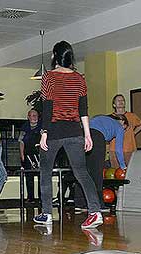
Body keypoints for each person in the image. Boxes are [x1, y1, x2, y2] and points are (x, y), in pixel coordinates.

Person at [34, 40, 103, 229]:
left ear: (54, 56)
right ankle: (95, 211)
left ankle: (46, 214)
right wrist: (87, 135)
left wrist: (43, 133)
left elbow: (47, 108)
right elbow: (83, 109)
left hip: (54, 131)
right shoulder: (79, 78)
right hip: (75, 131)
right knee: (82, 172)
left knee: (46, 172)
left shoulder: (48, 77)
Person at [74, 114, 128, 212]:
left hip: (83, 135)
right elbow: (118, 150)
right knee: (97, 172)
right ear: (123, 123)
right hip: (97, 137)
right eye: (125, 128)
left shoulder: (103, 118)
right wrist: (123, 166)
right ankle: (99, 204)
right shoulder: (119, 127)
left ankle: (79, 202)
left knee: (83, 170)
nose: (124, 131)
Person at [109, 94, 141, 167]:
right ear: (114, 104)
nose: (121, 102)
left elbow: (140, 125)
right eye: (118, 100)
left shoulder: (132, 116)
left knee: (131, 170)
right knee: (116, 172)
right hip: (114, 149)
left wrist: (133, 133)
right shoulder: (110, 118)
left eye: (122, 100)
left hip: (130, 148)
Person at [18, 109, 42, 203]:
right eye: (31, 115)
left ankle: (41, 198)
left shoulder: (42, 127)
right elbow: (21, 142)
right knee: (29, 177)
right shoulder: (24, 128)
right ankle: (30, 197)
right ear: (28, 117)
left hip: (40, 155)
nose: (33, 117)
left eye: (35, 115)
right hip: (28, 155)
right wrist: (22, 155)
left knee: (41, 177)